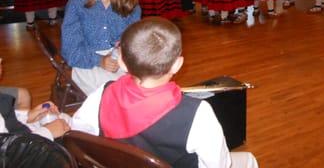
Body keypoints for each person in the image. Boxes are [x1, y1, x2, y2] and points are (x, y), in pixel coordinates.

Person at [72, 17, 258, 168]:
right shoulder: (197, 114)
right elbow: (219, 164)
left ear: (121, 61)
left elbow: (81, 135)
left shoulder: (100, 96)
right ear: (177, 64)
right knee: (248, 160)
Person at [61, 0, 141, 95]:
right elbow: (70, 49)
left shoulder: (131, 6)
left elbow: (132, 44)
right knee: (119, 93)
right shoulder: (77, 3)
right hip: (86, 63)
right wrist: (100, 60)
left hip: (120, 62)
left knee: (143, 85)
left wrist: (119, 55)